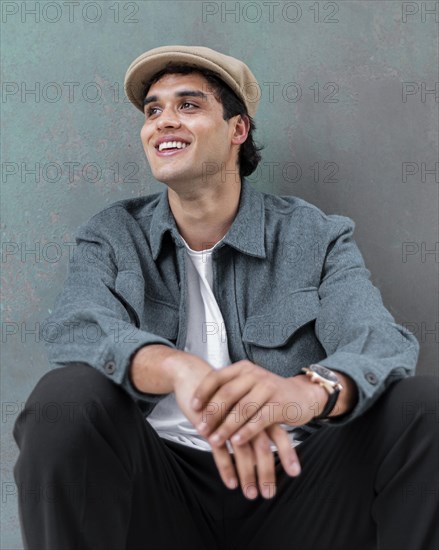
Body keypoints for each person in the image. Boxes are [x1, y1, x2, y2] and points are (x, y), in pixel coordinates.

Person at [13, 45, 437, 550]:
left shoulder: (312, 234)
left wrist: (300, 395)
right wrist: (175, 368)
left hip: (297, 490)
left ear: (238, 130)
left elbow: (380, 342)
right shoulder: (111, 235)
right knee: (65, 399)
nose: (163, 122)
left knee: (423, 407)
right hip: (160, 495)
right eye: (153, 110)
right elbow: (77, 327)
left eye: (188, 105)